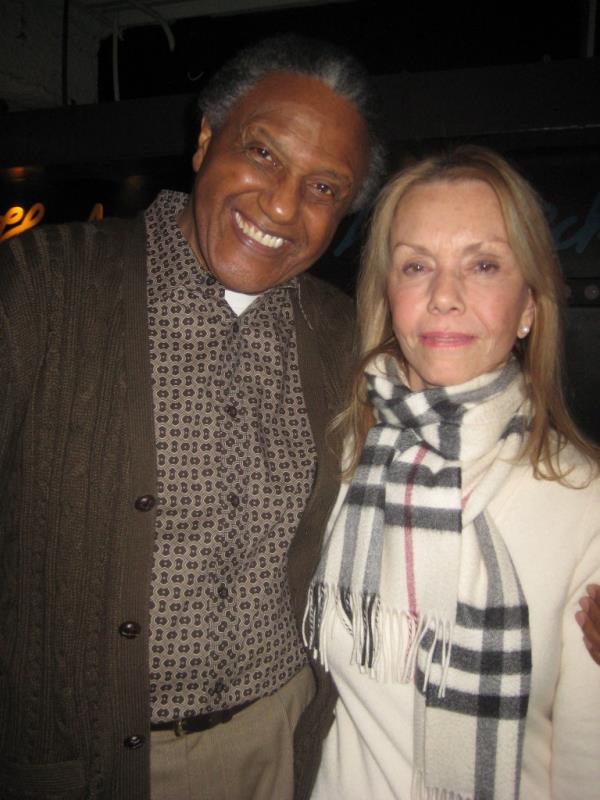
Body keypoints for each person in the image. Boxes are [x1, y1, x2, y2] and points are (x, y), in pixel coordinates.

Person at [0, 35, 385, 800]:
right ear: (207, 137)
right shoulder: (43, 286)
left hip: (281, 743)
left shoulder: (344, 334)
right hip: (88, 762)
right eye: (265, 153)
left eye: (323, 189)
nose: (282, 205)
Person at [303, 146, 600, 799]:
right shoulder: (339, 455)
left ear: (528, 306)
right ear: (388, 293)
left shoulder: (585, 503)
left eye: (484, 265)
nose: (443, 297)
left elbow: (587, 760)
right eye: (416, 266)